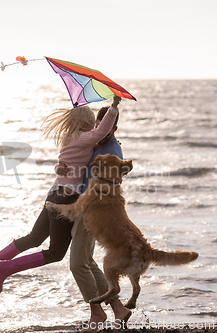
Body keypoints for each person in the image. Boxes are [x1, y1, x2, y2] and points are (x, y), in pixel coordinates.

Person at [0, 97, 122, 293]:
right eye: (92, 122)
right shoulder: (84, 138)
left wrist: (59, 168)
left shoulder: (71, 137)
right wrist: (114, 107)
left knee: (34, 238)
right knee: (56, 252)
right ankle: (4, 268)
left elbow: (73, 157)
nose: (95, 126)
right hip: (64, 198)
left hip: (54, 193)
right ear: (87, 123)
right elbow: (102, 132)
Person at [55, 106, 131, 327]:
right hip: (85, 207)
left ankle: (97, 312)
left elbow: (112, 185)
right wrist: (62, 168)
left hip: (94, 212)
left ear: (114, 128)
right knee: (87, 262)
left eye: (106, 128)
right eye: (98, 126)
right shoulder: (96, 145)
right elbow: (78, 167)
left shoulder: (112, 151)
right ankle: (119, 308)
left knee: (78, 265)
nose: (101, 131)